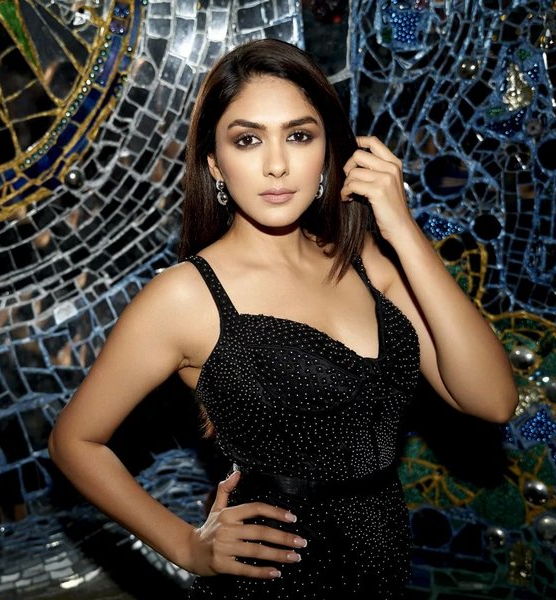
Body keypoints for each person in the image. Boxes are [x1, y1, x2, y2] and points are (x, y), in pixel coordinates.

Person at [48, 38, 517, 598]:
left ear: (329, 151)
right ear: (215, 164)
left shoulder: (363, 260)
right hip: (272, 581)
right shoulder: (186, 297)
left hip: (385, 567)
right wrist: (186, 546)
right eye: (248, 140)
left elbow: (492, 400)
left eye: (299, 135)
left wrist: (404, 231)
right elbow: (74, 441)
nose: (276, 164)